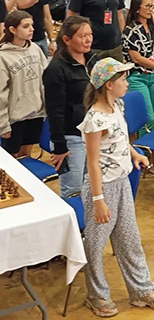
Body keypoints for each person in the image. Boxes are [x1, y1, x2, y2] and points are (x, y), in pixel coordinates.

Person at [79, 58, 154, 317]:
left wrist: (133, 154)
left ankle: (141, 289)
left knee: (130, 240)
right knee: (95, 245)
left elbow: (120, 137)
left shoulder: (117, 105)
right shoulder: (95, 119)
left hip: (121, 183)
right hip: (102, 189)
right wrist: (98, 200)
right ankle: (96, 295)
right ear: (109, 85)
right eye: (123, 79)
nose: (127, 82)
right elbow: (93, 163)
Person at [44, 17, 97, 198]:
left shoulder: (92, 61)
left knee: (91, 187)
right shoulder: (56, 69)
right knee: (73, 191)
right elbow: (55, 111)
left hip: (93, 133)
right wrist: (60, 146)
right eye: (82, 36)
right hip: (71, 137)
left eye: (90, 35)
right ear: (66, 40)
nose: (88, 40)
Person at [0, 11, 47, 158]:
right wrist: (3, 124)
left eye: (32, 25)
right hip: (15, 118)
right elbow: (1, 94)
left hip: (36, 113)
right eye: (26, 26)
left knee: (26, 155)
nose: (32, 29)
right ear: (12, 30)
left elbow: (45, 79)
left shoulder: (35, 48)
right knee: (12, 161)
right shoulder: (3, 56)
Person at [122, 0, 154, 137]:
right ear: (137, 9)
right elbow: (136, 58)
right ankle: (143, 150)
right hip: (138, 77)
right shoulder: (130, 31)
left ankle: (144, 144)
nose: (150, 9)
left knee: (150, 115)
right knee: (148, 118)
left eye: (152, 6)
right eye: (147, 6)